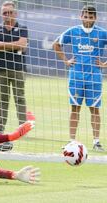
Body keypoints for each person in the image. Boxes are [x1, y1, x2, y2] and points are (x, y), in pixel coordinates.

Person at [53, 5, 107, 152]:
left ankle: (96, 142)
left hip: (94, 77)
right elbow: (56, 45)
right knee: (75, 108)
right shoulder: (73, 31)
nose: (87, 19)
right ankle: (71, 141)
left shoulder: (102, 33)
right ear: (80, 16)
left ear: (95, 18)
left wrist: (104, 64)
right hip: (76, 76)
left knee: (94, 109)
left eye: (90, 17)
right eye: (85, 16)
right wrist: (66, 61)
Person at [0, 1, 29, 151]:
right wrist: (11, 45)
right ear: (1, 14)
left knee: (20, 98)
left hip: (18, 68)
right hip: (1, 69)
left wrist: (2, 45)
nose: (7, 15)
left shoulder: (22, 28)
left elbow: (23, 44)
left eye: (10, 12)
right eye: (5, 13)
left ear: (15, 13)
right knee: (3, 100)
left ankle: (23, 127)